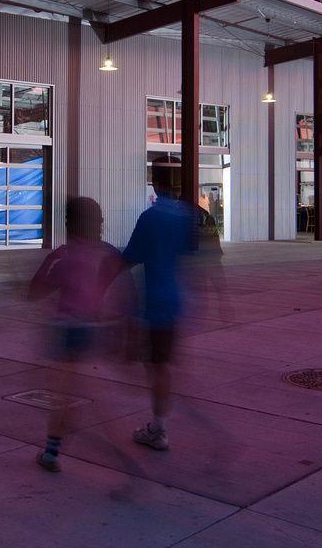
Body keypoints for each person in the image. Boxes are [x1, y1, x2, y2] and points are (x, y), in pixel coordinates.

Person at [27, 196, 122, 472]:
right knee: (83, 393)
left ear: (70, 224)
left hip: (66, 330)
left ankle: (53, 452)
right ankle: (51, 451)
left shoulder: (64, 255)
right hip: (92, 330)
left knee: (64, 394)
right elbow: (117, 288)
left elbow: (36, 292)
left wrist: (47, 264)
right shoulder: (108, 254)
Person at [121, 157, 199, 452]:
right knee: (160, 363)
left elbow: (130, 256)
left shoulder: (151, 217)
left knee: (157, 366)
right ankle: (159, 423)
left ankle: (159, 428)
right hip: (177, 298)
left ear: (156, 181)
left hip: (154, 299)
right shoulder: (186, 216)